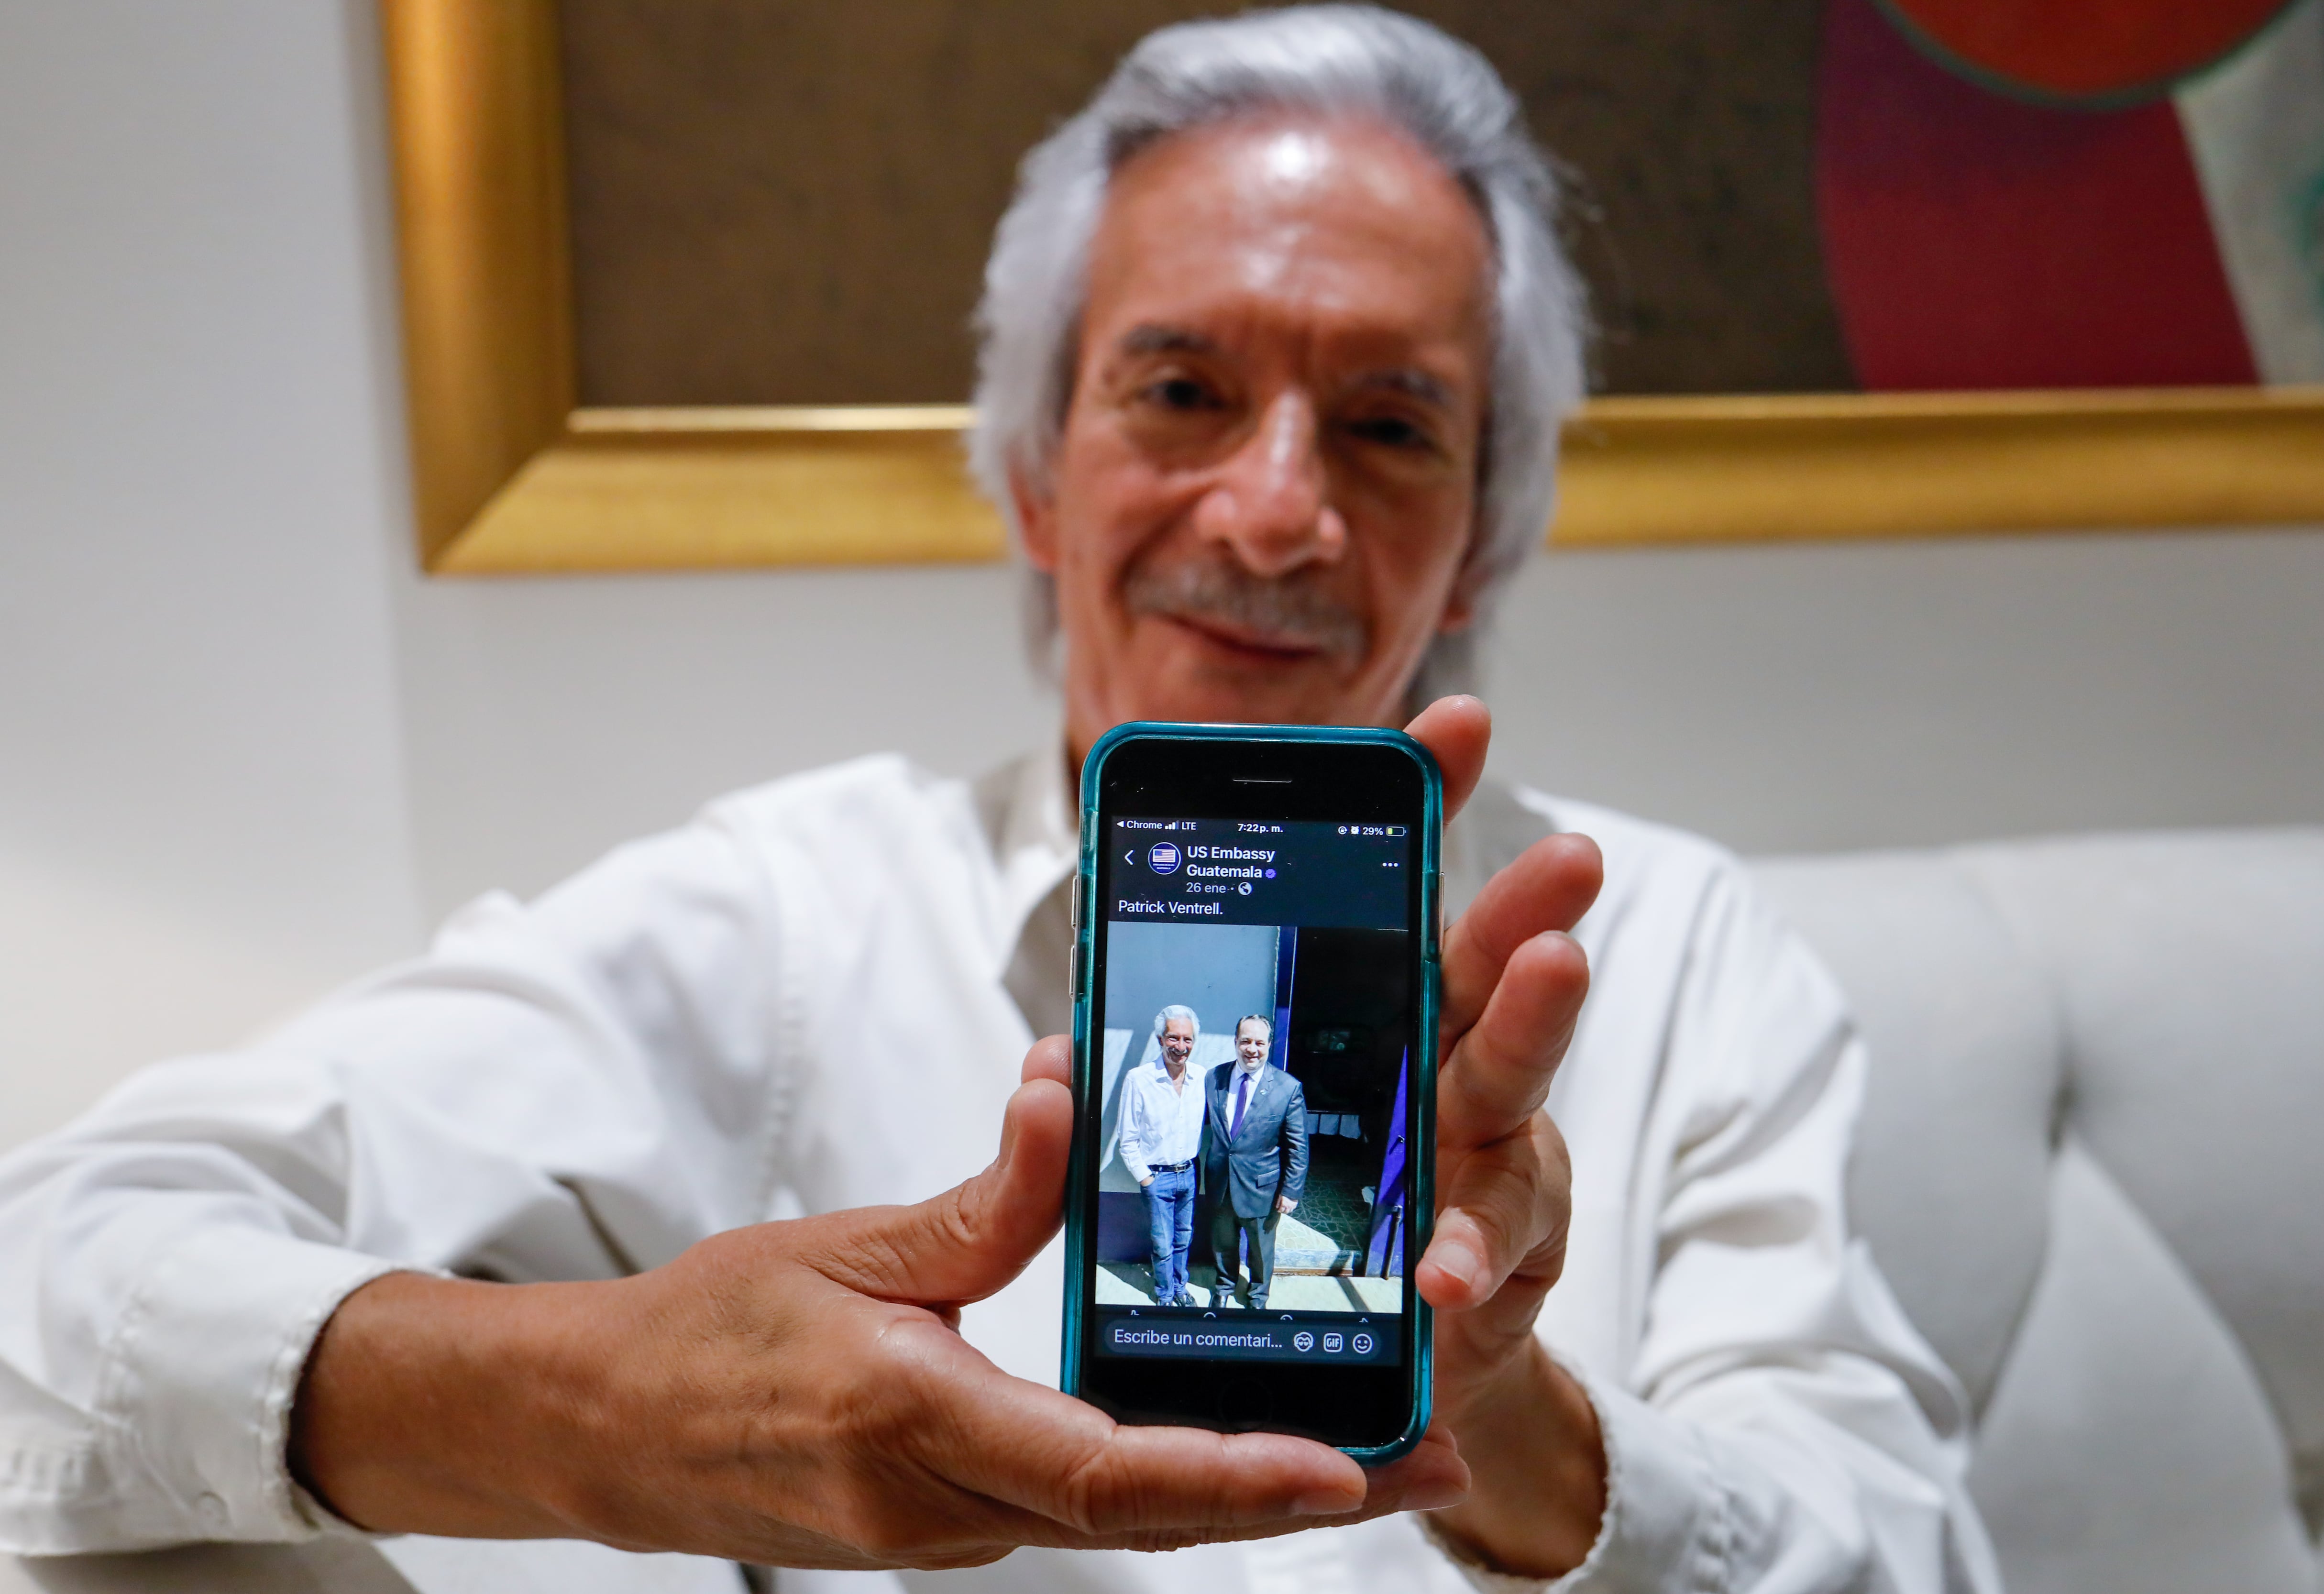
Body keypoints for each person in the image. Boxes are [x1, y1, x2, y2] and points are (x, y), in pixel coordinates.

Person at [0, 8, 1997, 1591]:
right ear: (1037, 478)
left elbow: (1909, 1546)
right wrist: (602, 1412)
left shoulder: (1666, 944)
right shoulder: (789, 922)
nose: (1278, 507)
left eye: (1392, 423)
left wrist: (1516, 1421)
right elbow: (55, 1265)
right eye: (1179, 390)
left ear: (1476, 540)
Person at [1204, 1015, 1307, 1310]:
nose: (1252, 1049)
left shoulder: (1288, 1088)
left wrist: (1291, 1191)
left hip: (1263, 1188)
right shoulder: (1214, 1077)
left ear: (1269, 1045)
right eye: (1246, 1041)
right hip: (1221, 1182)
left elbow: (1298, 1146)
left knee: (1261, 1250)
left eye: (1259, 1043)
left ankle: (1258, 1297)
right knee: (1223, 1243)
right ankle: (1224, 1287)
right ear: (1235, 1043)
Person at [1117, 1005, 1209, 1306]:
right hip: (1158, 1176)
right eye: (1174, 1038)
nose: (1181, 1047)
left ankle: (1181, 1288)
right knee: (1162, 1242)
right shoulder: (1138, 1080)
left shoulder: (1201, 1078)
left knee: (1184, 1238)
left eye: (1188, 1040)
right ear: (1160, 1039)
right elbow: (1127, 1138)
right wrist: (1147, 1179)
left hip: (1190, 1173)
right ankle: (1165, 1294)